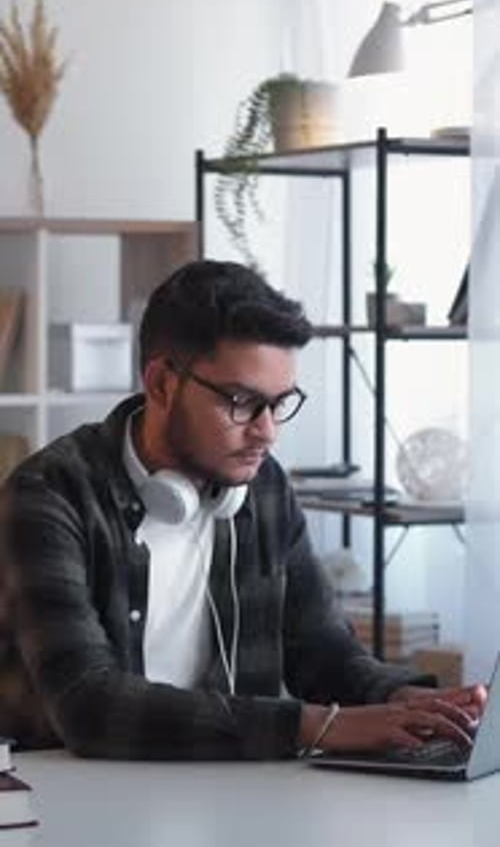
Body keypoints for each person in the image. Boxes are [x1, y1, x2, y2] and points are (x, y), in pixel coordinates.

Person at [0, 260, 486, 760]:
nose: (267, 431)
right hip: (68, 805)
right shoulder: (49, 494)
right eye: (241, 401)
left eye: (279, 404)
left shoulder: (263, 486)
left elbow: (322, 652)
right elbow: (88, 706)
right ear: (163, 383)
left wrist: (411, 701)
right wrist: (318, 726)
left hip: (229, 794)